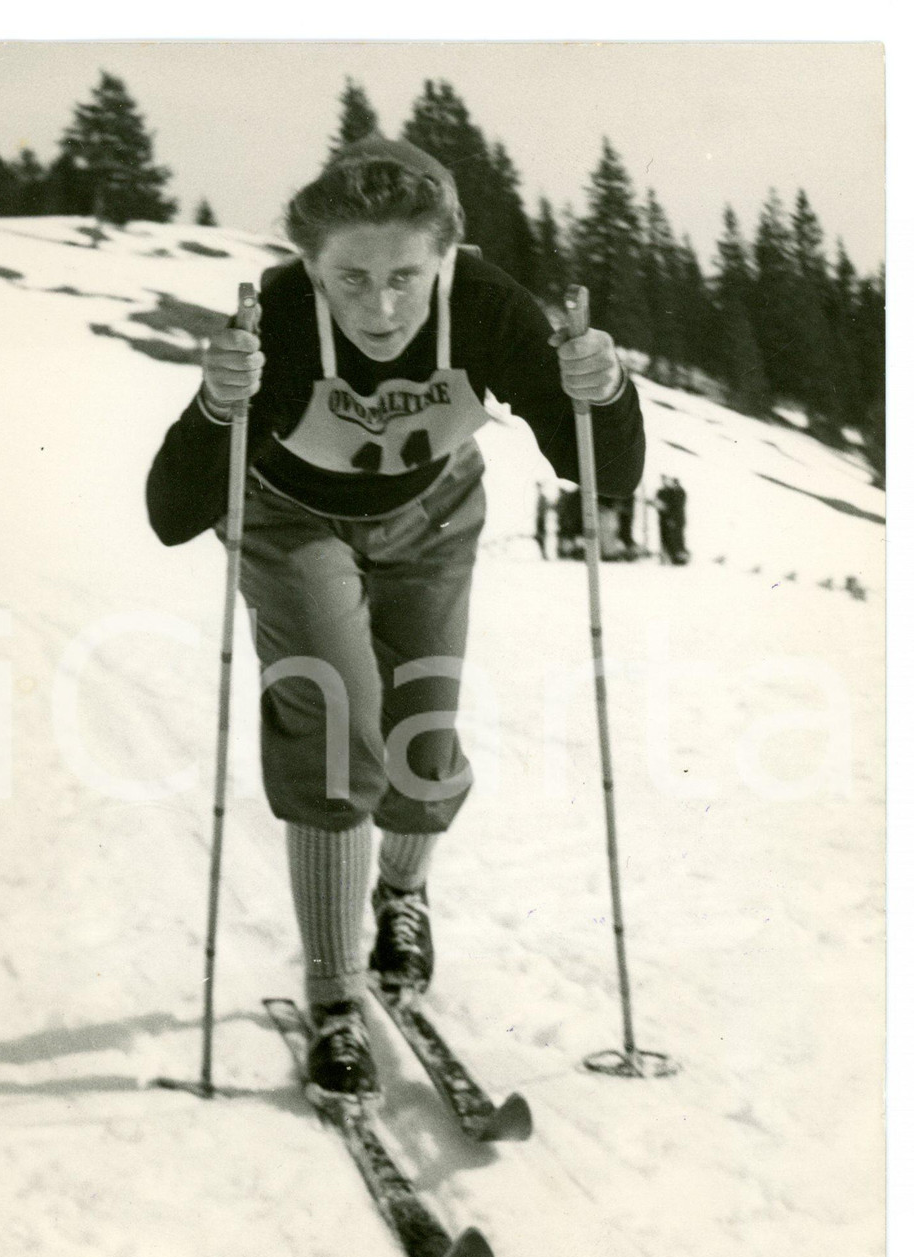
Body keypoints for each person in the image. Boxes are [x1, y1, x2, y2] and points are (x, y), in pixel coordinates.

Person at [146, 135, 646, 1103]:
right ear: (309, 266)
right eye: (350, 278)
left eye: (404, 277)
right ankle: (334, 997)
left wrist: (604, 392)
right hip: (292, 523)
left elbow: (605, 476)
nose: (378, 305)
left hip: (433, 515)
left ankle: (403, 895)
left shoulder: (490, 309)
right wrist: (215, 410)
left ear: (446, 258)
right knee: (336, 723)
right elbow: (171, 514)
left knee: (422, 735)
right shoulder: (283, 321)